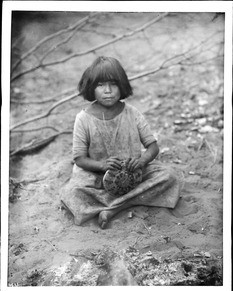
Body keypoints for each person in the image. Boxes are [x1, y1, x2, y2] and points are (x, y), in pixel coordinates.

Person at [61, 56, 181, 229]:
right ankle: (130, 201)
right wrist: (102, 166)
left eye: (113, 84)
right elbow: (79, 159)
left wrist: (141, 161)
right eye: (100, 85)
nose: (107, 90)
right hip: (96, 176)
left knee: (169, 176)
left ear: (122, 85)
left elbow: (153, 147)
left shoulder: (132, 113)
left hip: (134, 175)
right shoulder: (83, 118)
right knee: (73, 193)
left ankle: (116, 207)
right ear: (91, 88)